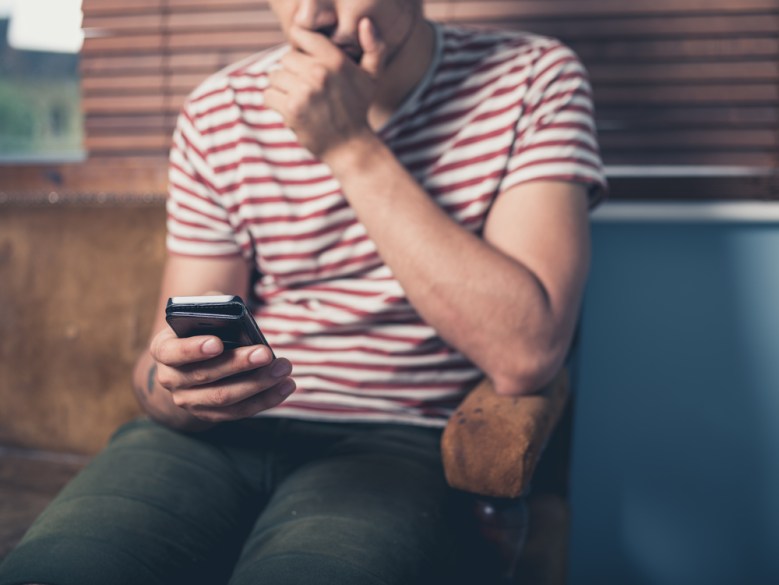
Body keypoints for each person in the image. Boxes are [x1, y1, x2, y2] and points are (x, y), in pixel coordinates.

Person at [0, 0, 605, 583]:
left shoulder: (534, 78)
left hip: (399, 442)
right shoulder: (221, 109)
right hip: (219, 438)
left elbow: (525, 352)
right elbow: (170, 358)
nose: (312, 15)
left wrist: (349, 147)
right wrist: (173, 389)